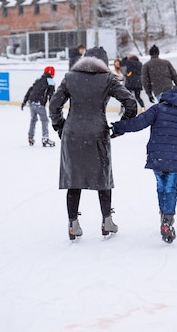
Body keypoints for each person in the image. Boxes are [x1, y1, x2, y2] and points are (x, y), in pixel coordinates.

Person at [49, 47, 137, 240]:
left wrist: (61, 127)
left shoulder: (70, 77)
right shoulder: (107, 79)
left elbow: (54, 105)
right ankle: (107, 221)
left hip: (72, 134)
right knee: (102, 177)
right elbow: (130, 102)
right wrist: (120, 127)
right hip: (98, 133)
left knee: (74, 179)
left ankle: (73, 224)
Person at [110, 87, 177, 243]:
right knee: (171, 189)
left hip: (157, 156)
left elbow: (138, 124)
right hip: (175, 157)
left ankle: (163, 216)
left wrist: (118, 127)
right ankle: (167, 219)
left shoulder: (157, 109)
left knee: (161, 187)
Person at [21, 66, 56, 147]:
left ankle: (30, 137)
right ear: (52, 73)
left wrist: (24, 101)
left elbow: (30, 89)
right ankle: (45, 139)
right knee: (45, 121)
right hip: (40, 104)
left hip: (31, 103)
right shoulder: (50, 82)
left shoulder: (38, 79)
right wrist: (53, 106)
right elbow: (51, 95)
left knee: (33, 120)